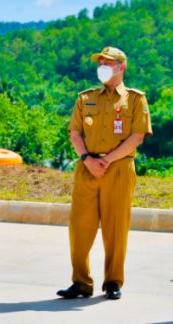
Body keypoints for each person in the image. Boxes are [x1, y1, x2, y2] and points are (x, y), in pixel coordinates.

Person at [57, 46, 152, 300]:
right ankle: (80, 282)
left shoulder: (134, 99)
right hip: (87, 168)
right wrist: (87, 159)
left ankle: (112, 281)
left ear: (122, 67)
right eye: (100, 62)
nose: (102, 66)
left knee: (116, 228)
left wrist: (107, 160)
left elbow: (137, 136)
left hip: (118, 168)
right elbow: (75, 132)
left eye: (107, 62)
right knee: (79, 227)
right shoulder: (85, 97)